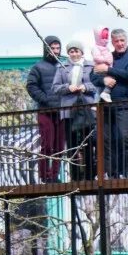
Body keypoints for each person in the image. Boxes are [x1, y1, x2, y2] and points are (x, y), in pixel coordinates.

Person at [91, 28, 128, 177]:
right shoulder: (107, 56)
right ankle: (112, 173)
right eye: (116, 41)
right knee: (106, 140)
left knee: (125, 138)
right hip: (105, 105)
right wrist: (104, 79)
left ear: (126, 40)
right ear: (112, 42)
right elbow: (93, 76)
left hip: (123, 104)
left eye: (122, 41)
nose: (119, 44)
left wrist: (108, 70)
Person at [51, 39, 97, 181]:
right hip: (69, 110)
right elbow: (55, 87)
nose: (74, 53)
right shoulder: (62, 67)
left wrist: (85, 87)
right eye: (71, 51)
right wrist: (67, 87)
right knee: (72, 144)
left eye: (76, 51)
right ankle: (75, 176)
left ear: (81, 52)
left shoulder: (90, 66)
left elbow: (97, 84)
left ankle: (89, 175)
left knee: (88, 143)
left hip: (87, 108)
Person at [26, 36, 64, 182]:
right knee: (47, 144)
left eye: (57, 48)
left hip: (61, 111)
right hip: (45, 111)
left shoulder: (63, 66)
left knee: (59, 146)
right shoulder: (38, 67)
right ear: (46, 49)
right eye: (52, 48)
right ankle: (44, 175)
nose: (55, 51)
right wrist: (45, 99)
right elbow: (31, 86)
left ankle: (54, 175)